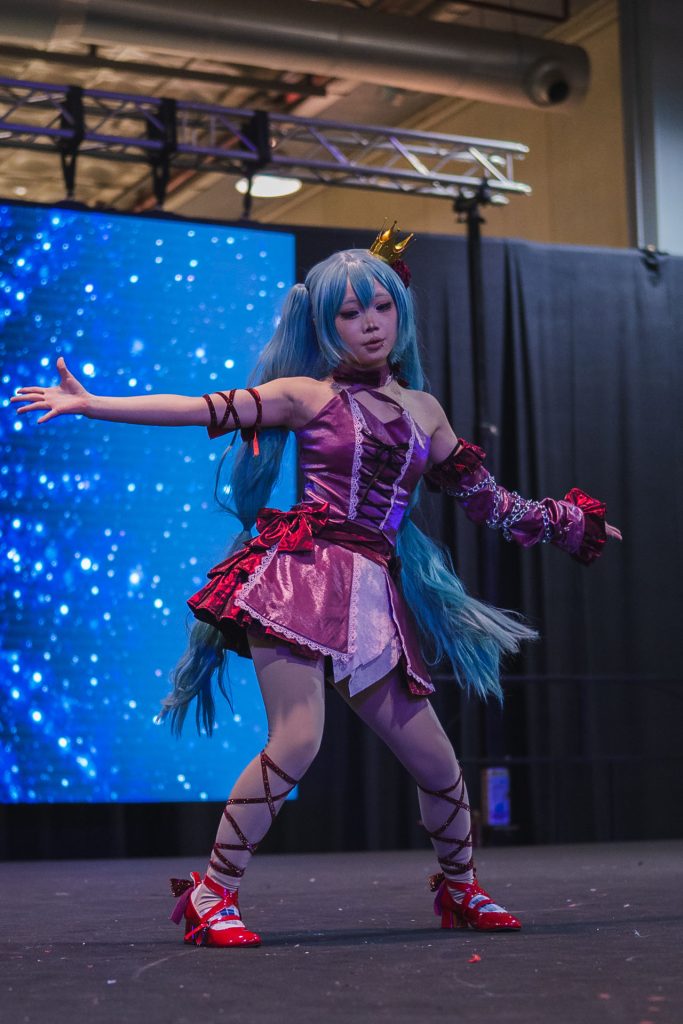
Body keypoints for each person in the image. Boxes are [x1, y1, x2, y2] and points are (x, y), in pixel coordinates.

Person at [11, 225, 621, 949]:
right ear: (325, 324)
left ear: (400, 311)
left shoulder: (424, 410)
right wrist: (94, 403)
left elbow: (489, 502)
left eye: (381, 307)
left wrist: (565, 522)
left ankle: (461, 890)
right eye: (350, 312)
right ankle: (211, 894)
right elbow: (199, 406)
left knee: (436, 762)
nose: (370, 323)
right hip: (298, 581)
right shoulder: (306, 395)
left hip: (371, 599)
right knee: (297, 739)